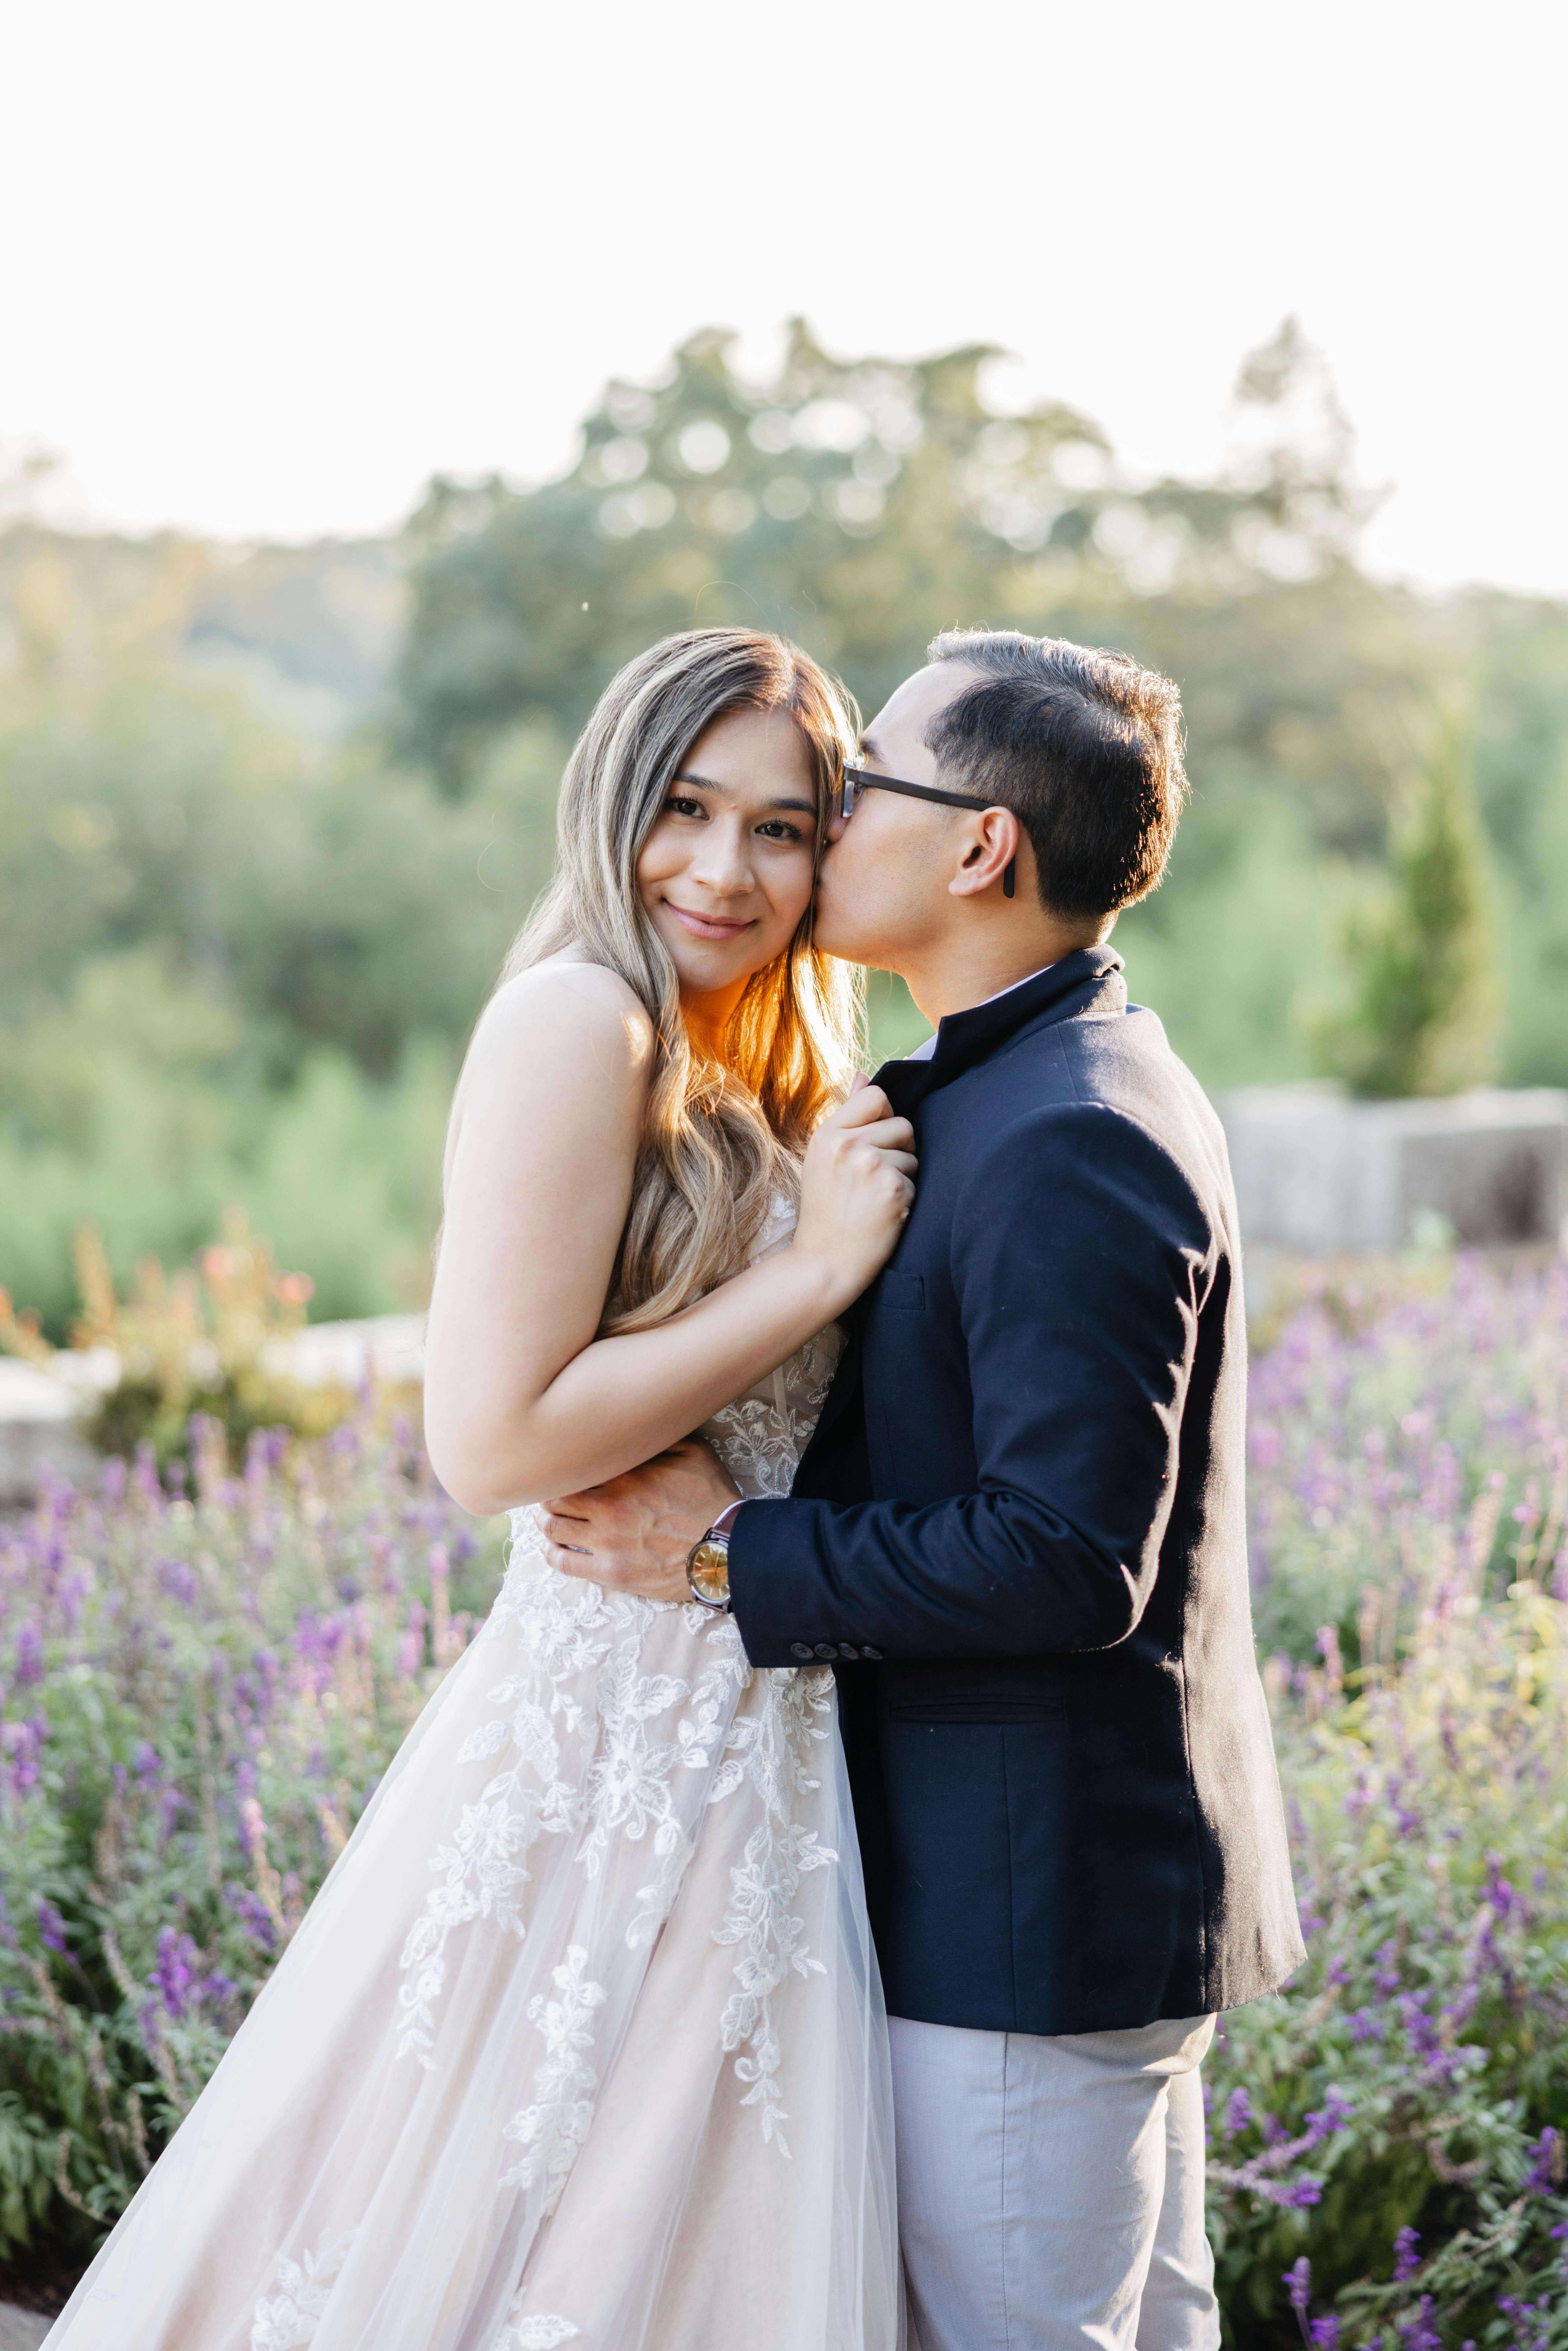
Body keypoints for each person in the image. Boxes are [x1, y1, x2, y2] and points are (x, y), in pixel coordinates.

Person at [47, 629, 915, 2351]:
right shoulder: (578, 1017)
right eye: (685, 807)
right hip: (595, 1747)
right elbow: (495, 1439)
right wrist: (811, 1276)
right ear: (611, 798)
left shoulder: (775, 1051)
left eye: (782, 825)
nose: (724, 869)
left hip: (762, 1742)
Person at [544, 631, 1306, 2351]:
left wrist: (727, 1552)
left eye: (862, 777)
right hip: (1050, 1906)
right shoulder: (1028, 1083)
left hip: (1025, 1924)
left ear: (979, 846)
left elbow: (1065, 1557)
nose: (828, 807)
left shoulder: (1068, 1134)